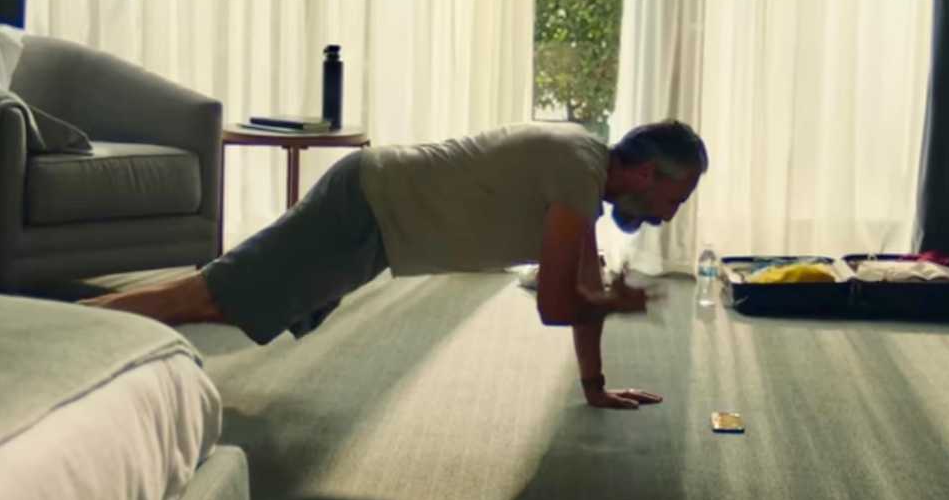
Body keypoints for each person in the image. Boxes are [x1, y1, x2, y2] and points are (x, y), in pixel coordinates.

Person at [83, 119, 708, 409]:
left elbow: (582, 286)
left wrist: (595, 388)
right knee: (211, 295)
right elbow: (556, 306)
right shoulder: (577, 170)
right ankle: (74, 329)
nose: (667, 215)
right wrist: (614, 305)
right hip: (367, 207)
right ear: (648, 174)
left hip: (377, 226)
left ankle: (88, 330)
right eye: (672, 199)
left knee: (227, 300)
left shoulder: (584, 175)